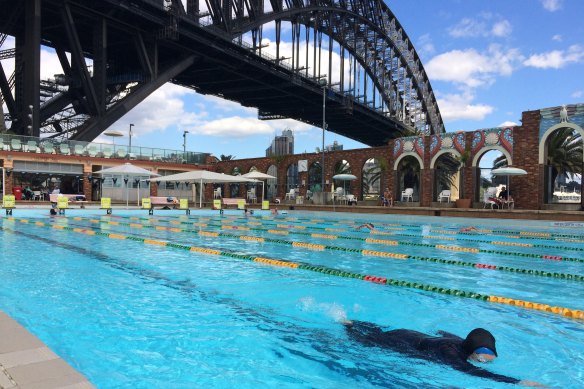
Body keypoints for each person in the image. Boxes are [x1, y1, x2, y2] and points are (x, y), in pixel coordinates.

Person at [344, 321, 545, 387]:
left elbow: (447, 334)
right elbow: (471, 372)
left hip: (414, 335)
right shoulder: (450, 353)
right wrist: (517, 382)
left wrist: (441, 332)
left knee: (375, 330)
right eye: (482, 358)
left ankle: (351, 322)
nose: (484, 362)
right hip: (402, 342)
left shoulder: (464, 344)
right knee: (364, 340)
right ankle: (345, 323)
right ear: (472, 352)